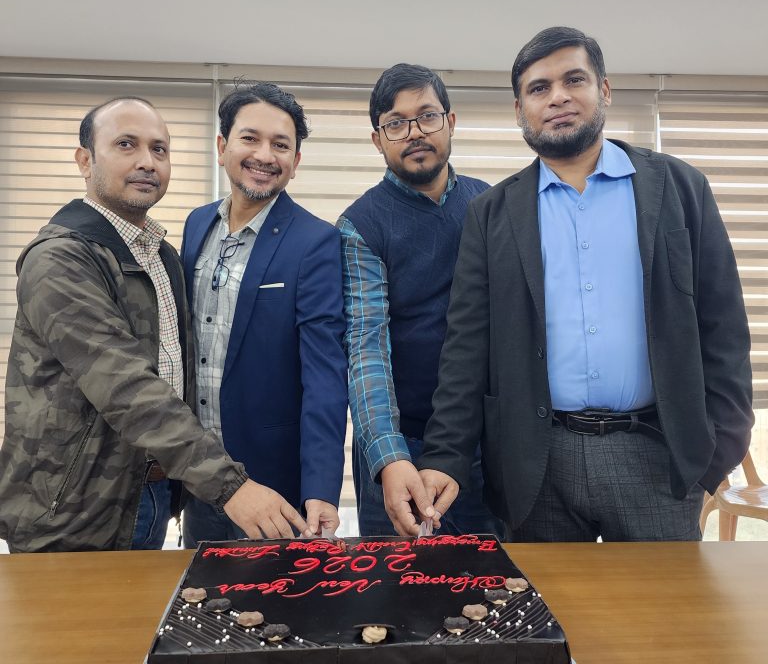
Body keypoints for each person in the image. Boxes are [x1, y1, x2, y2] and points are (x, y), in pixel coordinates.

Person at [412, 27, 754, 542]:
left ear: (605, 90)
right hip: (536, 464)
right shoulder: (492, 214)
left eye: (574, 80)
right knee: (544, 599)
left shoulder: (681, 189)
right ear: (520, 109)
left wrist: (718, 448)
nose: (558, 98)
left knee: (658, 600)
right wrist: (445, 456)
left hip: (657, 456)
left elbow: (723, 325)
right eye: (539, 88)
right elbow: (466, 349)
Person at [0, 96, 312, 552]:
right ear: (85, 161)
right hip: (70, 509)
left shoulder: (160, 255)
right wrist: (231, 487)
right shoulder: (60, 258)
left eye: (159, 149)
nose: (147, 162)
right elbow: (125, 385)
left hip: (152, 494)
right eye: (126, 145)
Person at [338, 63, 503, 538]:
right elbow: (366, 345)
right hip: (398, 447)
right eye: (396, 123)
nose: (414, 133)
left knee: (492, 576)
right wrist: (389, 455)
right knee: (392, 579)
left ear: (450, 122)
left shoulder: (492, 206)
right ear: (378, 140)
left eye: (427, 116)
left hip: (486, 443)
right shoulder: (360, 224)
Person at [180, 81, 348, 546]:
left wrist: (321, 488)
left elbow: (324, 375)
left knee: (276, 593)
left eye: (280, 145)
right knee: (198, 589)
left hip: (272, 485)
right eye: (250, 138)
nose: (264, 155)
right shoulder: (196, 224)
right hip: (200, 477)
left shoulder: (315, 241)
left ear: (295, 161)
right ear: (222, 147)